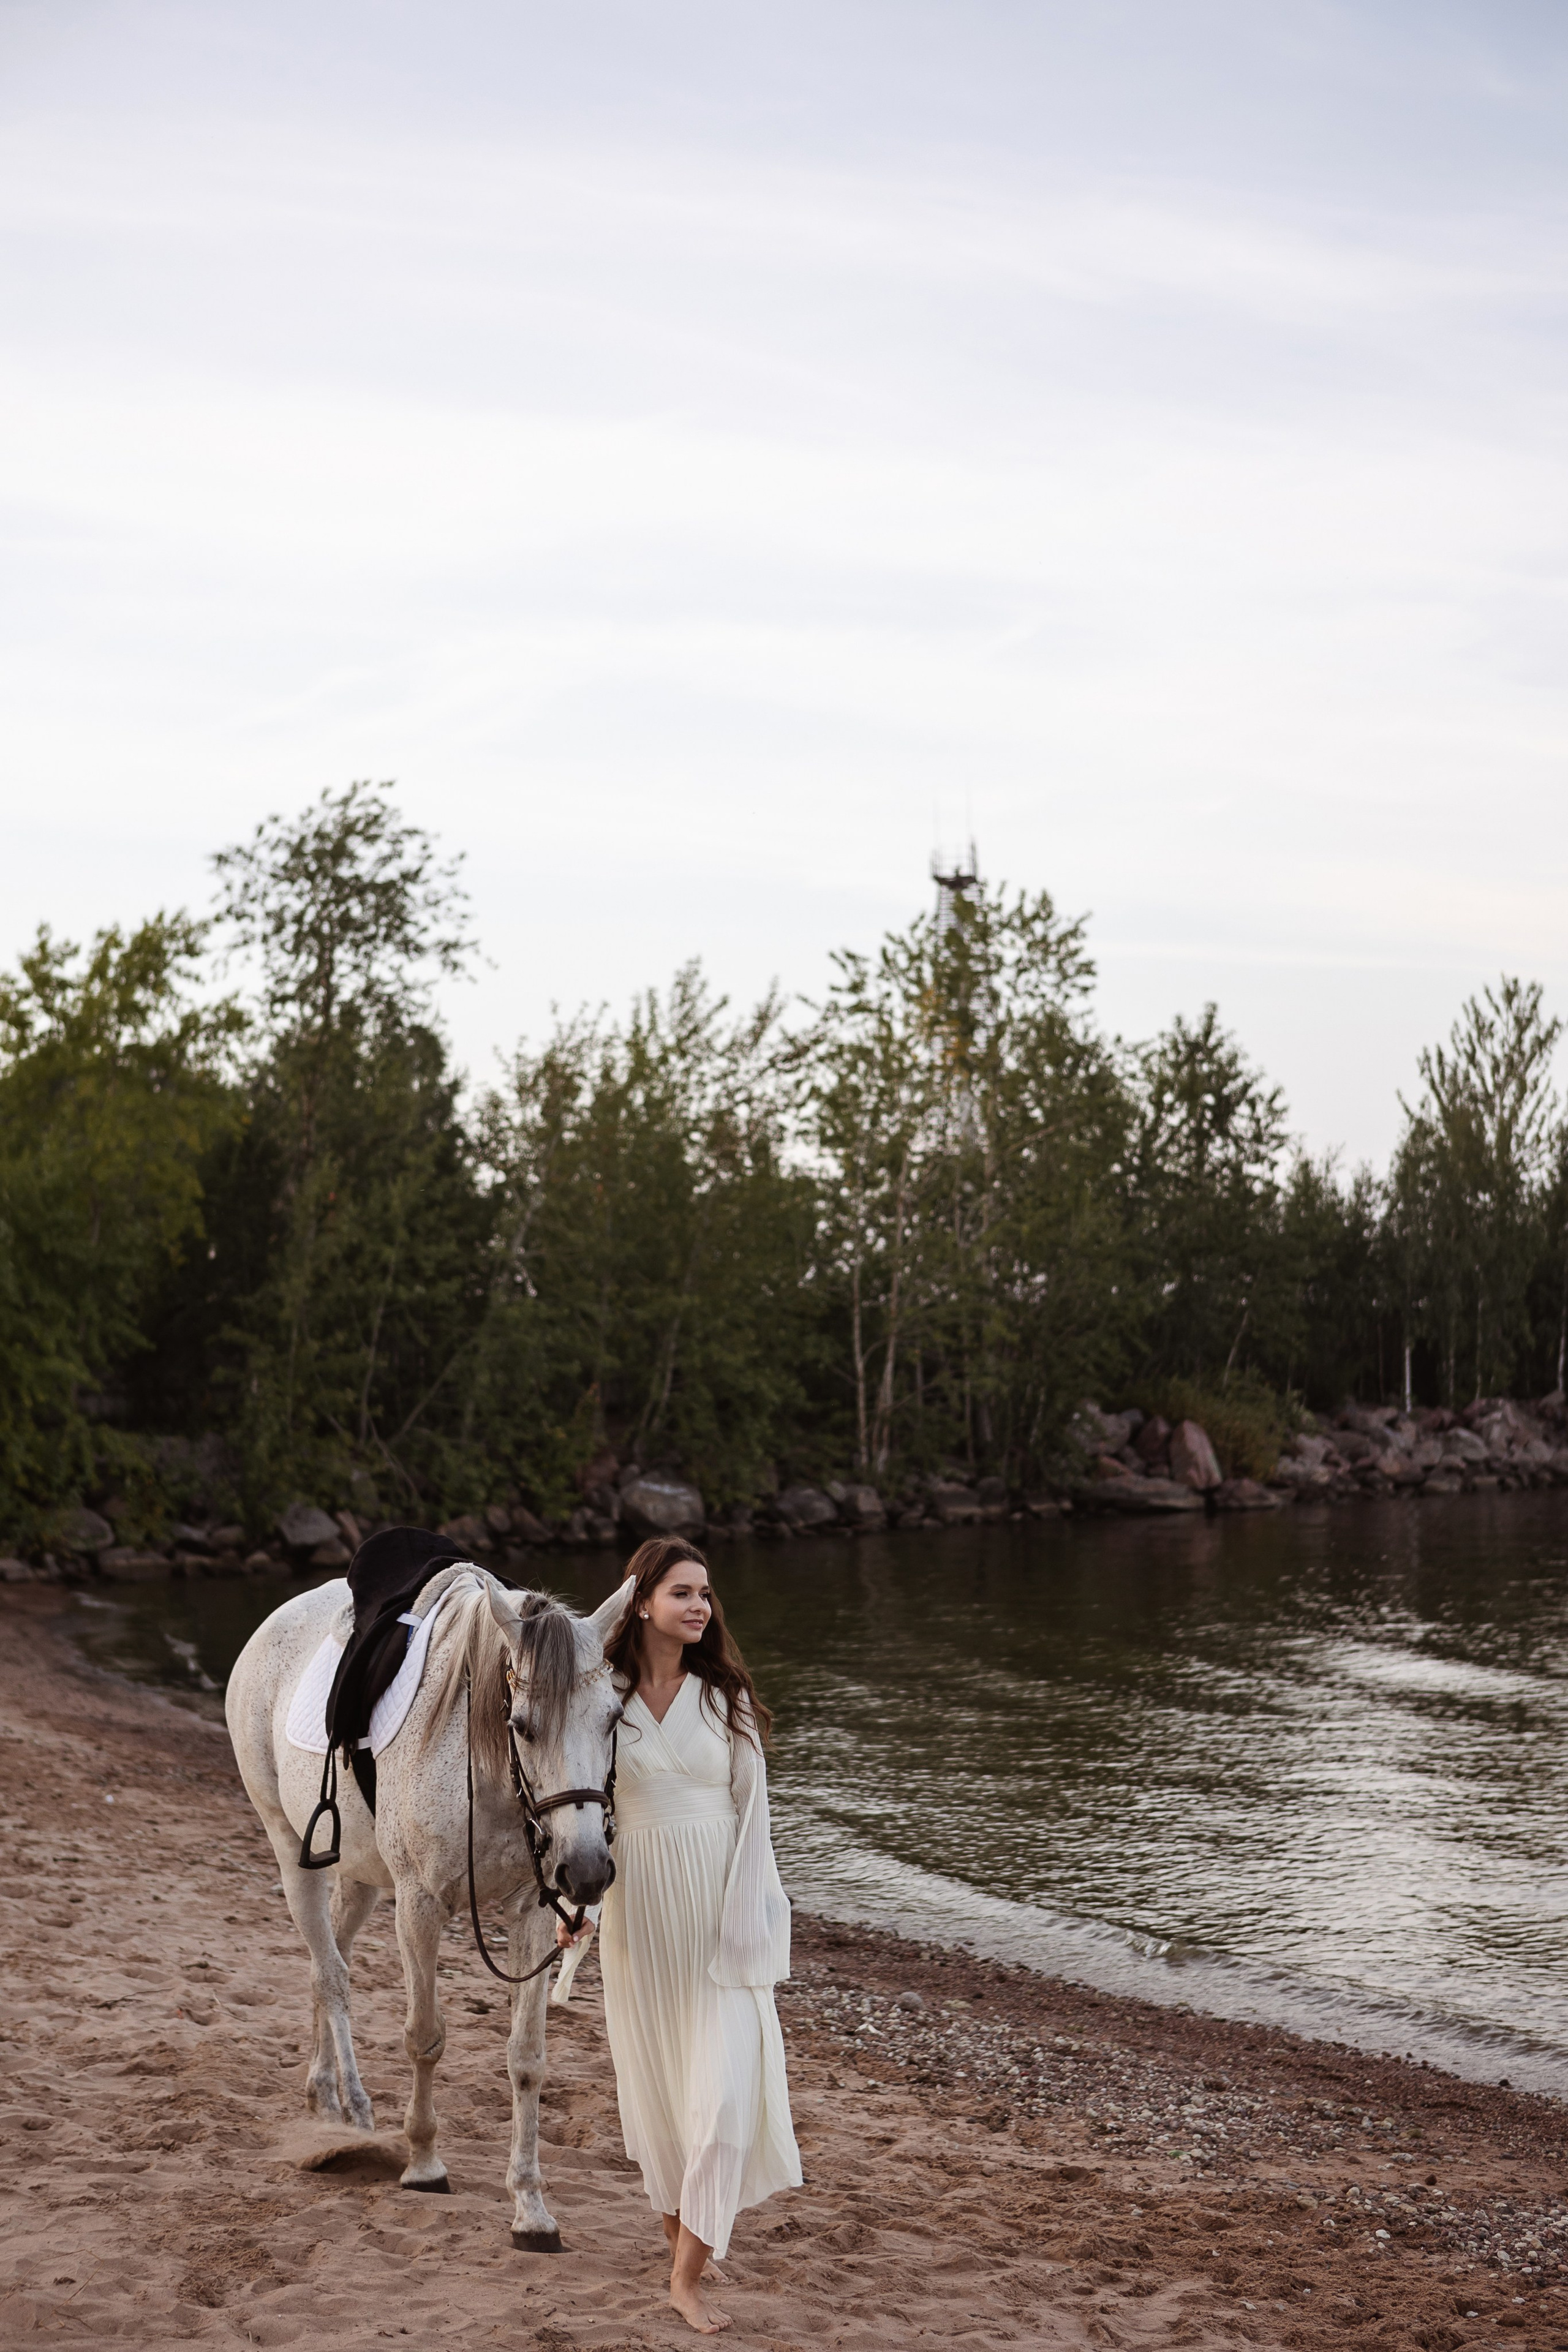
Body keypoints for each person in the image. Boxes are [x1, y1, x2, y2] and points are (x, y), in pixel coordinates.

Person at [559, 1536, 801, 2334]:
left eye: (705, 1592)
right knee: (662, 2104)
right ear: (641, 1603)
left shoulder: (725, 1697)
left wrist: (754, 1920)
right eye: (682, 1592)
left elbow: (755, 1818)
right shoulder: (603, 1701)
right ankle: (682, 2260)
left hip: (717, 1919)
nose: (700, 1605)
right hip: (642, 1921)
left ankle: (684, 2281)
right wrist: (581, 1910)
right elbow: (589, 1819)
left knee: (724, 2108)